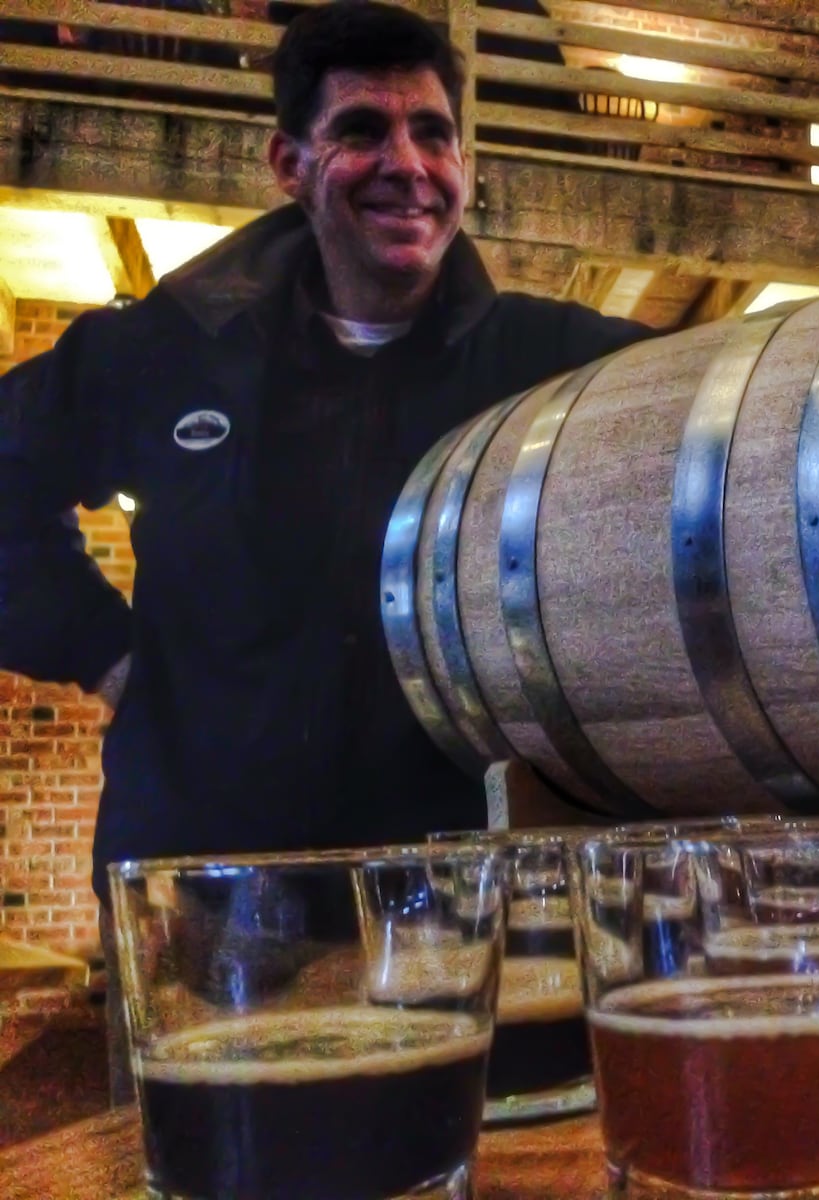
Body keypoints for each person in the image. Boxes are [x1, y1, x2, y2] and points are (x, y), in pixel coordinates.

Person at [0, 0, 651, 1084]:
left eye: (432, 131)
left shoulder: (549, 360)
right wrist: (107, 653)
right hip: (204, 917)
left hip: (454, 929)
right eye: (362, 130)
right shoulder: (167, 350)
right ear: (289, 163)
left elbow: (740, 432)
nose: (408, 164)